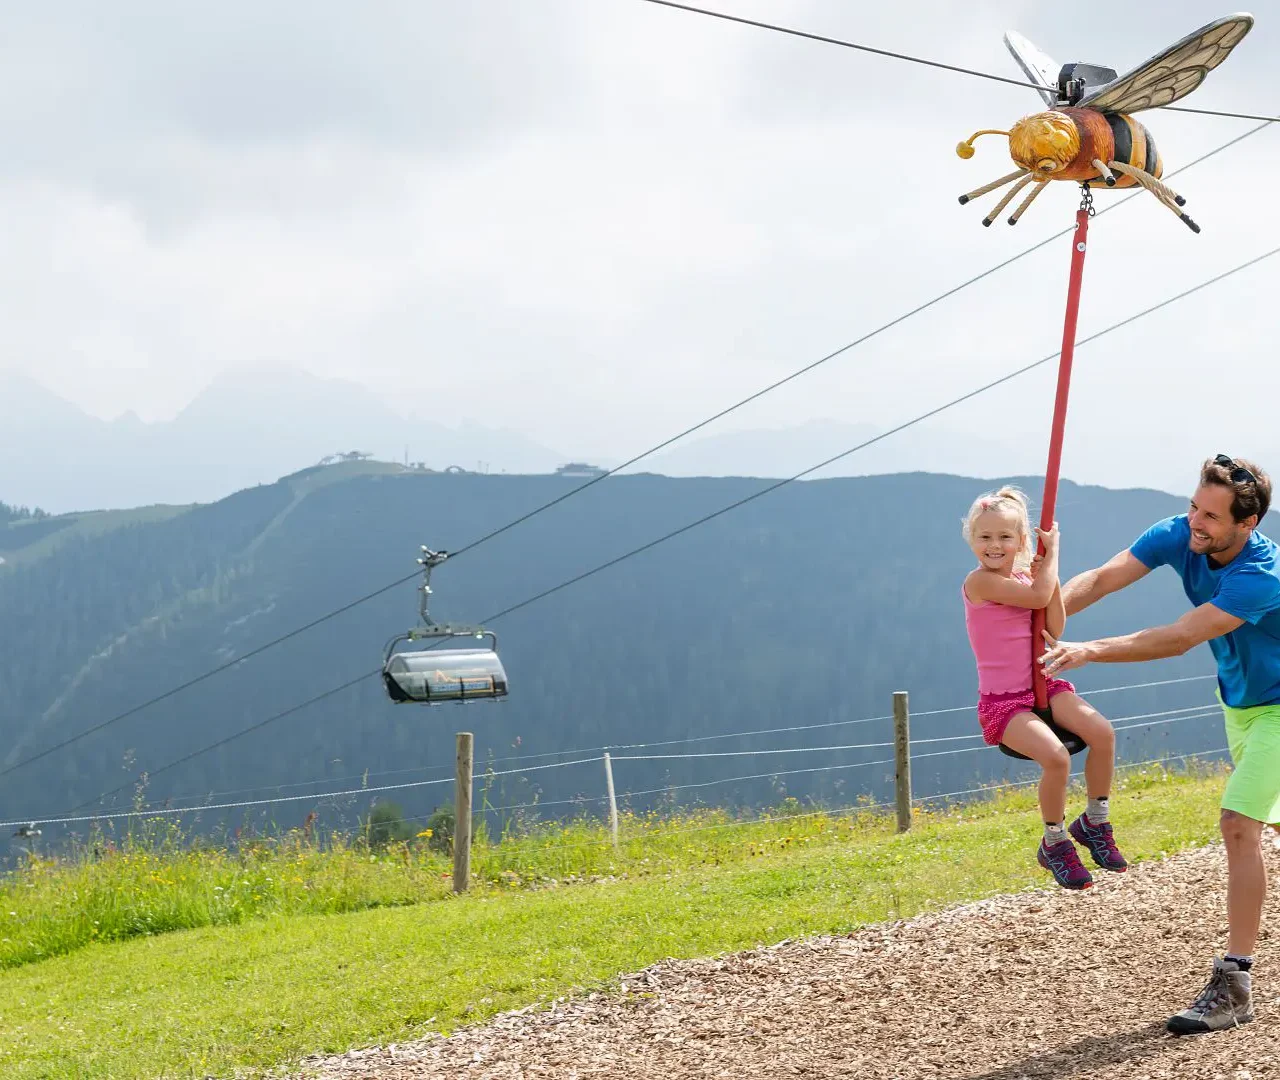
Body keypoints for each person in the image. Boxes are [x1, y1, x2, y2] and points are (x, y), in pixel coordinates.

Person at [1041, 454, 1280, 1035]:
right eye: (1195, 507)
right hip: (1241, 709)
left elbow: (1177, 638)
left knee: (1239, 825)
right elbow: (1100, 578)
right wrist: (1040, 612)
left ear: (1246, 526)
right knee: (1255, 825)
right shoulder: (1180, 533)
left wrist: (1088, 650)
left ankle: (1235, 983)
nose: (1195, 522)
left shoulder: (1260, 576)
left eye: (1211, 517)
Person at [962, 486, 1127, 892]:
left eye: (1005, 537)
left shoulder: (1023, 578)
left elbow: (1054, 626)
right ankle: (1054, 842)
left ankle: (1095, 821)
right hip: (1004, 703)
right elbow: (1036, 595)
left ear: (1021, 541)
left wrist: (1045, 576)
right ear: (972, 540)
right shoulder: (979, 582)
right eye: (985, 537)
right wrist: (1051, 558)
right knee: (1055, 758)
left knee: (1102, 733)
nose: (994, 545)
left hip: (1042, 683)